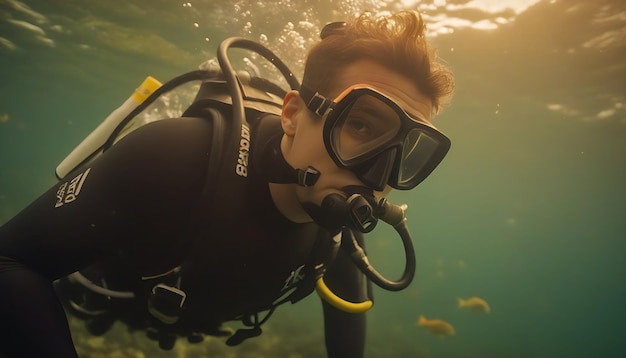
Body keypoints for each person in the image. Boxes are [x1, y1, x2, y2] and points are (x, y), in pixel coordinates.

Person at [0, 9, 454, 358]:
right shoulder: (173, 155)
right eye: (360, 125)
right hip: (102, 296)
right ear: (294, 114)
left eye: (405, 152)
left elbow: (346, 327)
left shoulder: (339, 232)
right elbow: (10, 260)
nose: (376, 177)